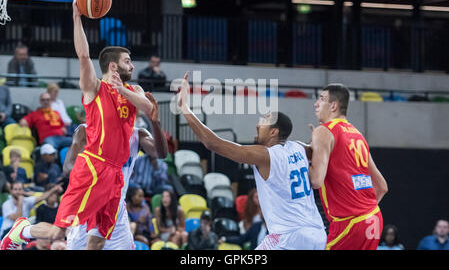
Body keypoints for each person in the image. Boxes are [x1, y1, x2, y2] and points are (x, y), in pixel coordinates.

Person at [0, 0, 154, 251]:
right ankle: (21, 230)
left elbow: (149, 109)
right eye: (128, 61)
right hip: (94, 167)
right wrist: (76, 17)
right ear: (113, 66)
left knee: (97, 240)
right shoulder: (94, 88)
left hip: (115, 174)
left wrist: (124, 90)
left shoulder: (134, 91)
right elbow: (83, 56)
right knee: (59, 232)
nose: (133, 65)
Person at [177, 72, 326, 250]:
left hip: (289, 236)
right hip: (317, 233)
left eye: (264, 121)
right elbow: (319, 150)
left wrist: (185, 108)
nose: (257, 124)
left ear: (274, 132)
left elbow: (213, 143)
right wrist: (318, 137)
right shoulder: (300, 148)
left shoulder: (265, 155)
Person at [64, 91, 167, 250]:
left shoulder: (137, 134)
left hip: (116, 213)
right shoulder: (86, 130)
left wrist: (155, 122)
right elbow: (68, 168)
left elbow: (161, 153)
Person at [308, 83, 388, 250]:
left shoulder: (323, 131)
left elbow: (316, 180)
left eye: (321, 99)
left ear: (333, 105)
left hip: (349, 224)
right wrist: (363, 211)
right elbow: (381, 187)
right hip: (373, 217)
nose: (316, 103)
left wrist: (308, 157)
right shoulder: (358, 135)